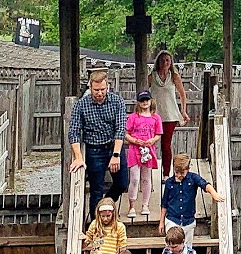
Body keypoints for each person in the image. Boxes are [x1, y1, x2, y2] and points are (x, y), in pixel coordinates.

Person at [68, 68, 128, 218]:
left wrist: (116, 154)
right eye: (96, 90)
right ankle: (95, 224)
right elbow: (74, 132)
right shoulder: (81, 105)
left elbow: (120, 128)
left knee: (122, 183)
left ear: (107, 87)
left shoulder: (117, 101)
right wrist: (78, 157)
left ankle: (106, 204)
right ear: (90, 87)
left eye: (102, 89)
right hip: (94, 150)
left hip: (114, 146)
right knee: (96, 189)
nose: (100, 93)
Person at [158, 151, 224, 239]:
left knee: (187, 248)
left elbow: (205, 184)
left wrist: (213, 193)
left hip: (188, 221)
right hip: (172, 219)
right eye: (177, 172)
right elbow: (164, 203)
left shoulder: (193, 178)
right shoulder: (169, 182)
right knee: (173, 244)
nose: (179, 175)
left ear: (188, 168)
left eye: (182, 173)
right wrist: (161, 222)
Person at [123, 90, 162, 220]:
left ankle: (145, 205)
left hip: (148, 150)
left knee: (146, 178)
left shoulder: (156, 117)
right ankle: (132, 206)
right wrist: (134, 140)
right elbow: (126, 134)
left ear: (151, 101)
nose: (145, 102)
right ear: (138, 103)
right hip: (135, 150)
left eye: (147, 100)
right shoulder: (133, 117)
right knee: (134, 179)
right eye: (142, 100)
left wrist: (152, 140)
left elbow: (158, 134)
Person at [147, 48, 189, 160]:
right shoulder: (152, 76)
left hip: (170, 115)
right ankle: (149, 171)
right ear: (158, 62)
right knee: (150, 144)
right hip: (154, 115)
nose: (165, 63)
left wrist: (183, 111)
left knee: (166, 146)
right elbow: (144, 93)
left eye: (167, 60)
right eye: (162, 60)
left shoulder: (174, 76)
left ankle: (166, 174)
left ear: (170, 63)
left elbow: (182, 94)